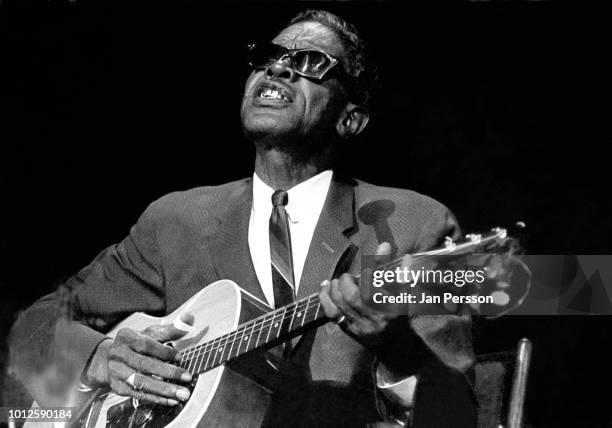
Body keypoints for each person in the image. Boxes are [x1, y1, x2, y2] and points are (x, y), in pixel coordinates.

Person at [9, 9, 477, 427]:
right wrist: (98, 355)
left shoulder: (414, 222)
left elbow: (459, 412)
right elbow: (38, 323)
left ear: (350, 119)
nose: (278, 68)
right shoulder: (177, 220)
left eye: (312, 63)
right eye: (270, 56)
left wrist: (393, 346)